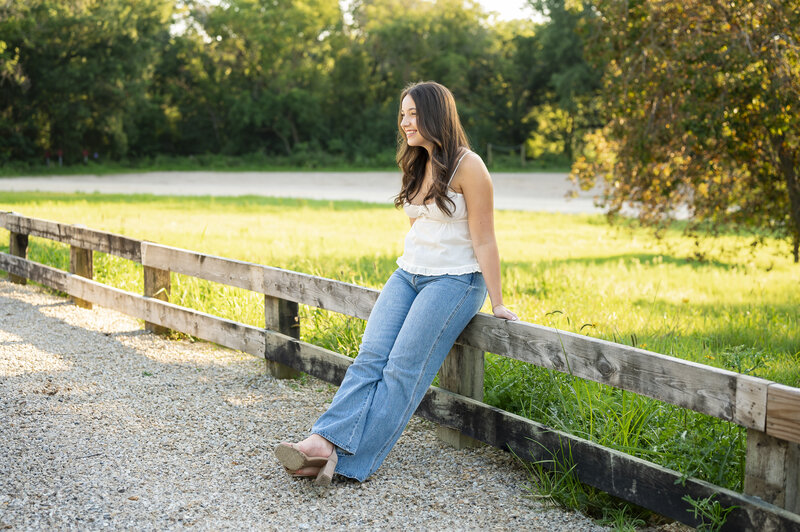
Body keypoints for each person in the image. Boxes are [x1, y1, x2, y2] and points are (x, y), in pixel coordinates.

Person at [274, 81, 518, 486]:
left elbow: (485, 239)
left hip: (455, 282)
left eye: (413, 114)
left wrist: (497, 302)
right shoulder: (415, 162)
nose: (405, 122)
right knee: (370, 358)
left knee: (402, 369)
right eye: (402, 114)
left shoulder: (470, 166)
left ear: (437, 115)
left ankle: (349, 463)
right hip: (408, 274)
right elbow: (418, 227)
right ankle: (321, 442)